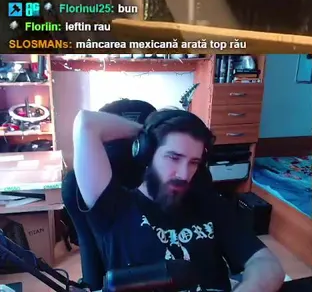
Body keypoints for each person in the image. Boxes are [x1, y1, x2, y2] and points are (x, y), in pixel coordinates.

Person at [73, 108, 285, 292]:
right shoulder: (114, 207)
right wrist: (145, 134)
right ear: (148, 154)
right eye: (174, 158)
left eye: (193, 162)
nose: (184, 174)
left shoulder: (210, 205)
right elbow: (86, 123)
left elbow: (266, 263)